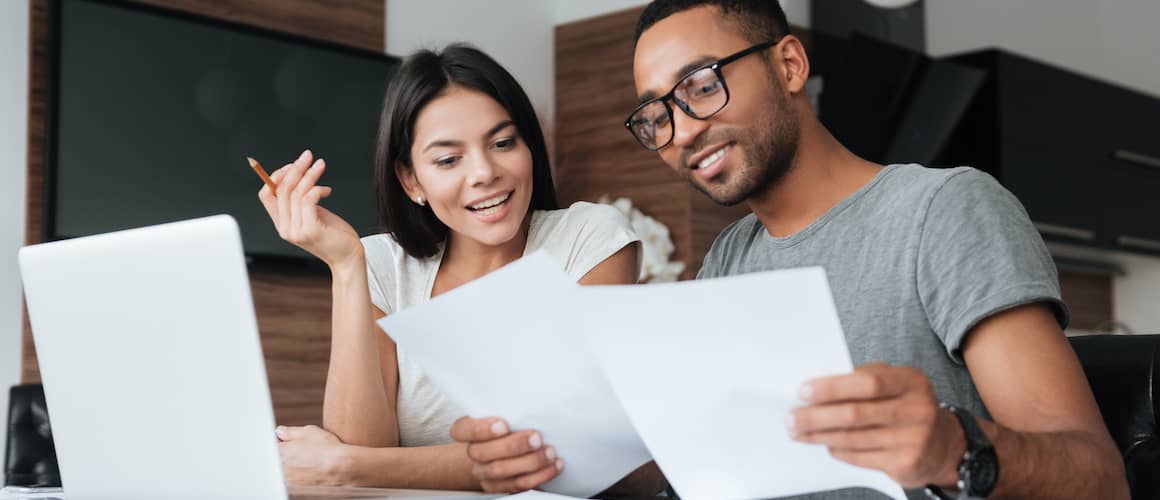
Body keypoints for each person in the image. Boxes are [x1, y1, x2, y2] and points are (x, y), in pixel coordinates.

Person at [451, 1, 1129, 498]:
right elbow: (695, 469)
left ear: (790, 63)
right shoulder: (728, 257)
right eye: (657, 115)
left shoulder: (943, 209)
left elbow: (1099, 479)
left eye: (701, 85)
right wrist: (542, 458)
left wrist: (956, 447)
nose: (682, 132)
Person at [257, 44, 660, 494]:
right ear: (411, 181)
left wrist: (345, 467)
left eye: (503, 143)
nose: (484, 172)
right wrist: (346, 265)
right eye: (449, 160)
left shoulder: (588, 239)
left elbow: (561, 449)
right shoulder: (382, 264)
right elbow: (361, 448)